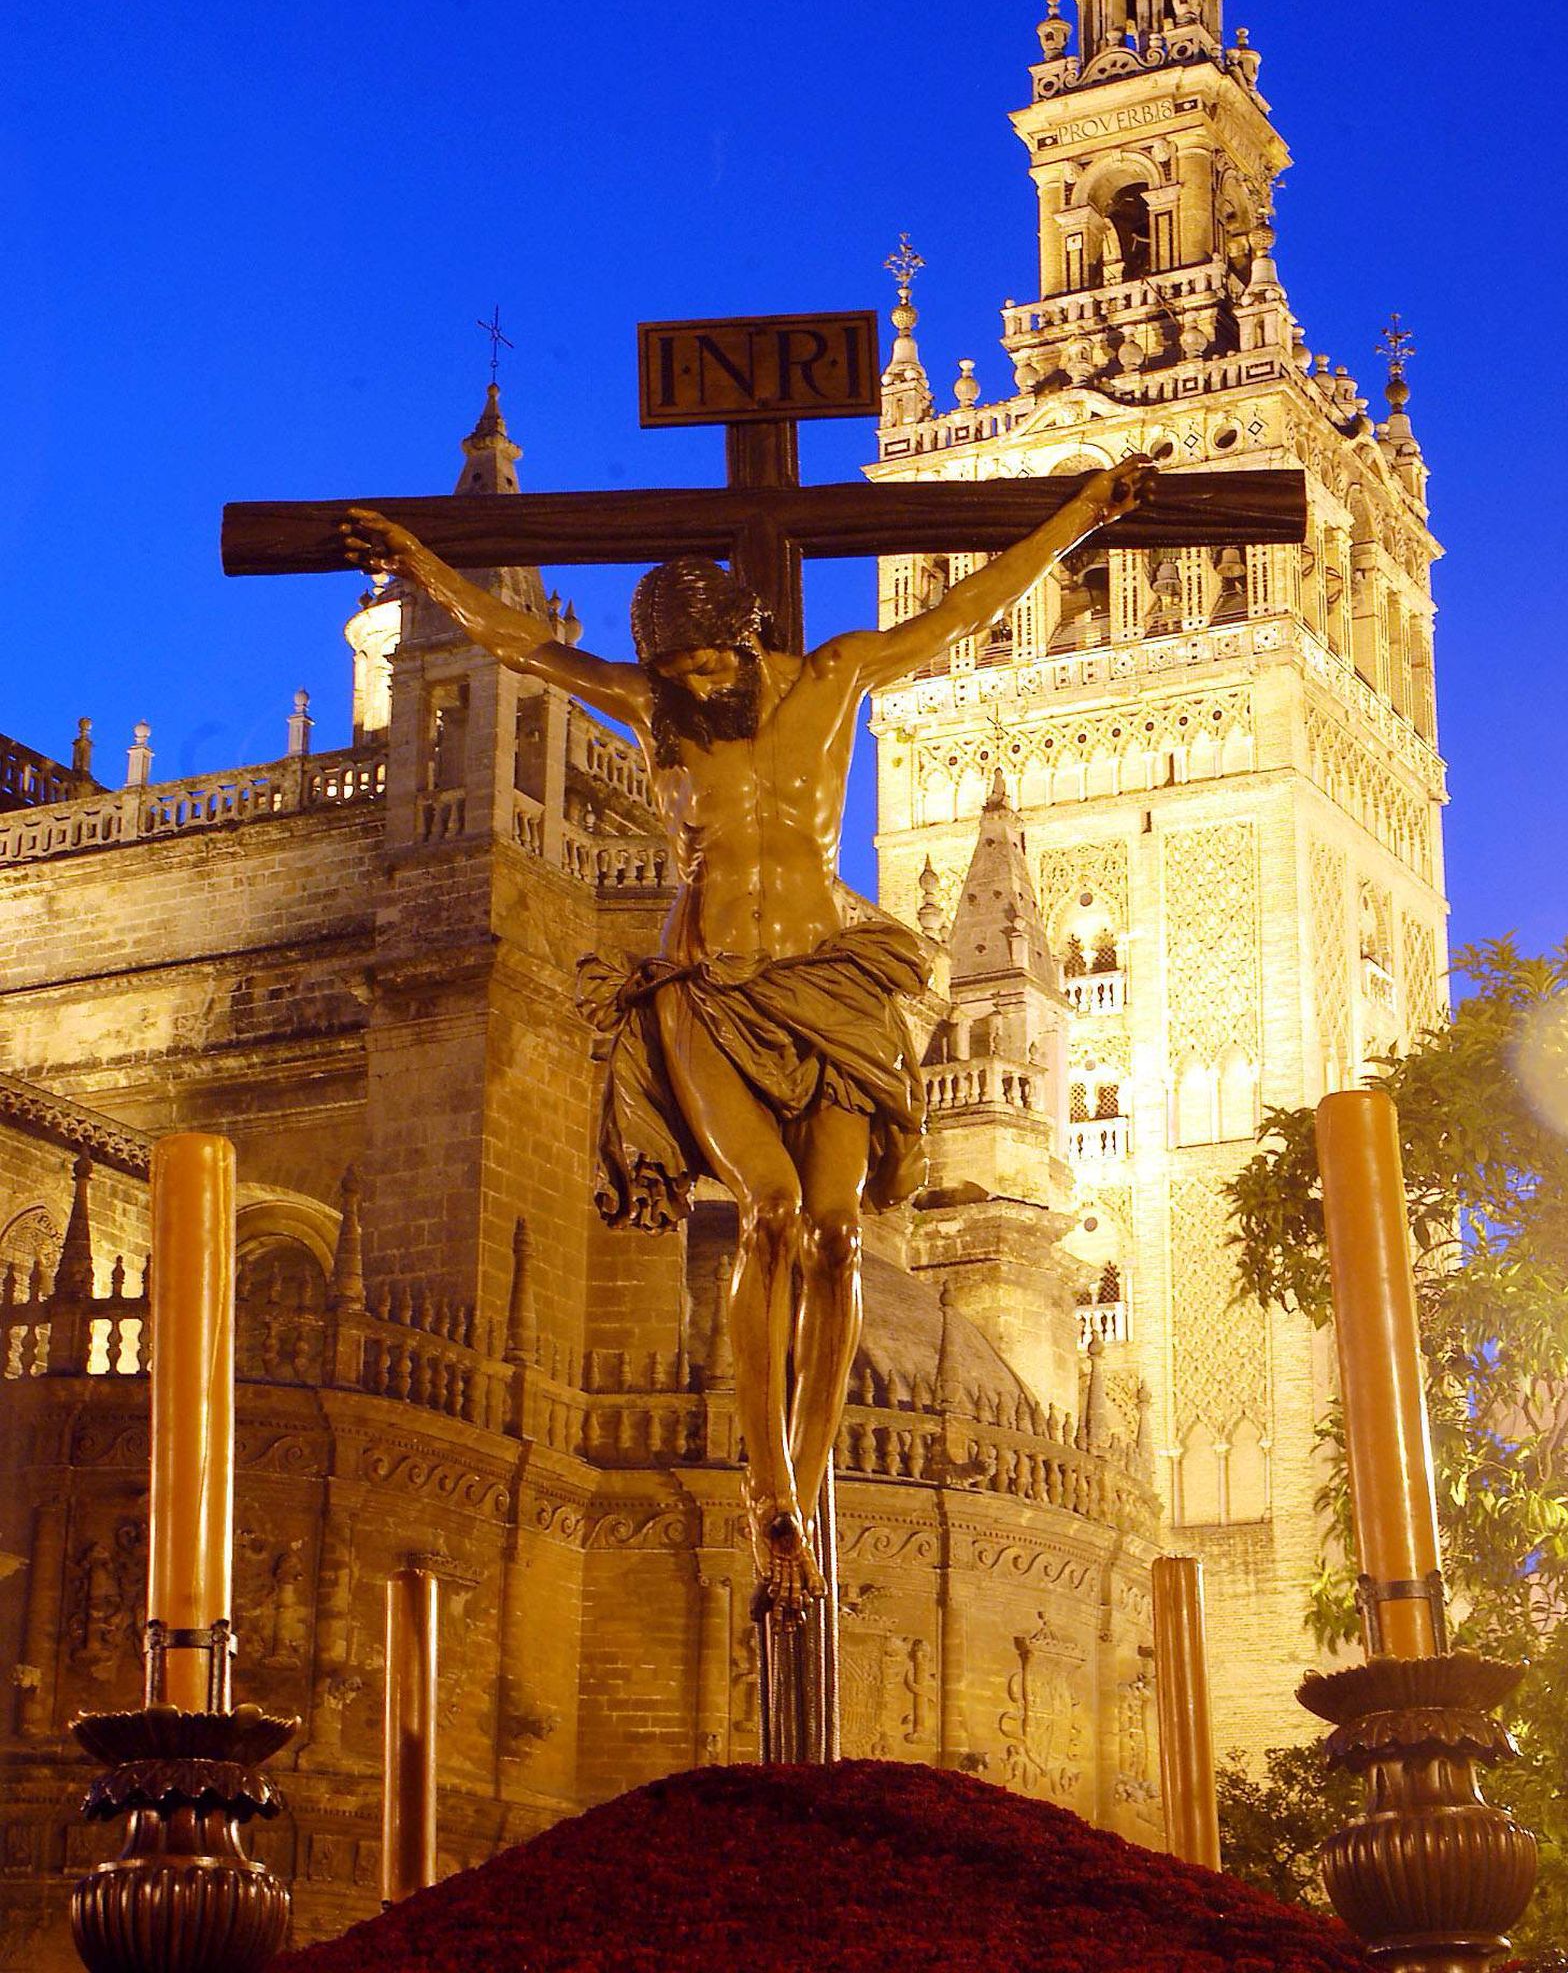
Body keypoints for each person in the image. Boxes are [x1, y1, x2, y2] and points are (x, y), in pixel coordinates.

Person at [342, 457, 1155, 1615]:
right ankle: (767, 1492)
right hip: (707, 987)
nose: (688, 685)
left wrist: (1079, 514)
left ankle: (804, 1480)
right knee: (768, 1214)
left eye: (704, 662)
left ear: (744, 635)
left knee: (837, 1234)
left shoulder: (836, 676)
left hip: (831, 984)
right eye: (671, 669)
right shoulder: (657, 707)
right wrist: (420, 563)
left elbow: (969, 605)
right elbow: (519, 644)